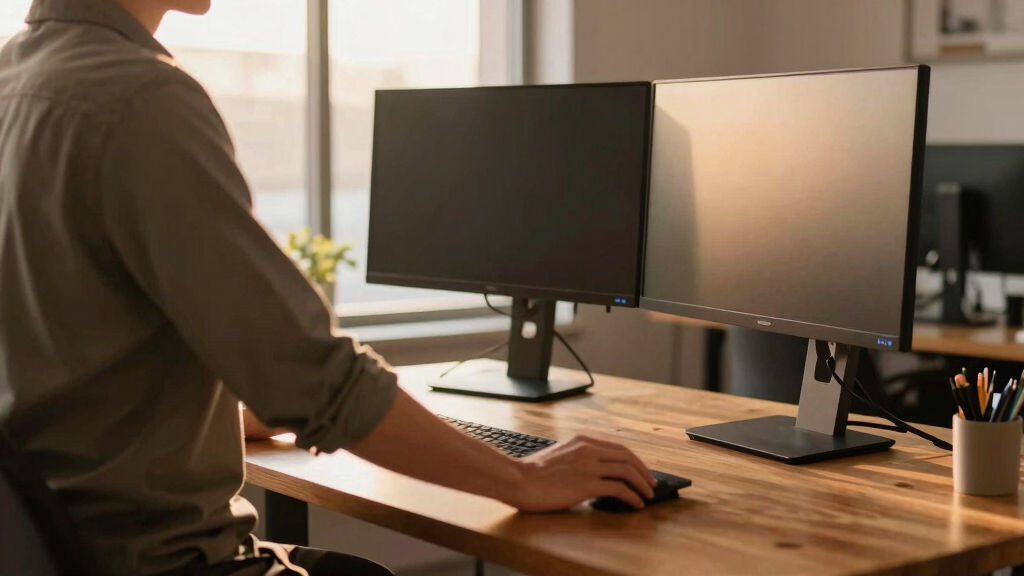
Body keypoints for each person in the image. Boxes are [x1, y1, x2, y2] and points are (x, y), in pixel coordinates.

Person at [0, 0, 658, 574]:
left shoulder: (15, 80)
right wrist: (524, 477)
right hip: (165, 562)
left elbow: (57, 352)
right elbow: (318, 382)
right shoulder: (139, 99)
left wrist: (212, 421)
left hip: (66, 543)